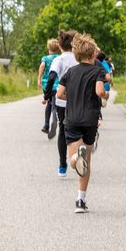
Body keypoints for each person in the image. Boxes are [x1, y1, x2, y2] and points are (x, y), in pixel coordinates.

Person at [56, 33, 109, 213]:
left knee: (75, 162)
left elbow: (59, 93)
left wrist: (72, 97)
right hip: (90, 119)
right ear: (94, 54)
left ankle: (75, 157)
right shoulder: (98, 71)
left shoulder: (70, 72)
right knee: (86, 162)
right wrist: (105, 96)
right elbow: (100, 90)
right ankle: (80, 200)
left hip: (71, 119)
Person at [43, 30, 78, 178]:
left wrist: (46, 93)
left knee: (63, 131)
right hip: (78, 100)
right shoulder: (78, 58)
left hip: (62, 100)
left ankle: (62, 165)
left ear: (60, 45)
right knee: (78, 128)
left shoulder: (59, 60)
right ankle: (77, 156)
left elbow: (51, 77)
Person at [38, 39, 60, 139]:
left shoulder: (45, 58)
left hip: (47, 84)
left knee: (49, 103)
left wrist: (39, 78)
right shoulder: (59, 58)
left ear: (48, 48)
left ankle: (46, 125)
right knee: (55, 103)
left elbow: (42, 66)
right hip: (58, 84)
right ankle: (55, 115)